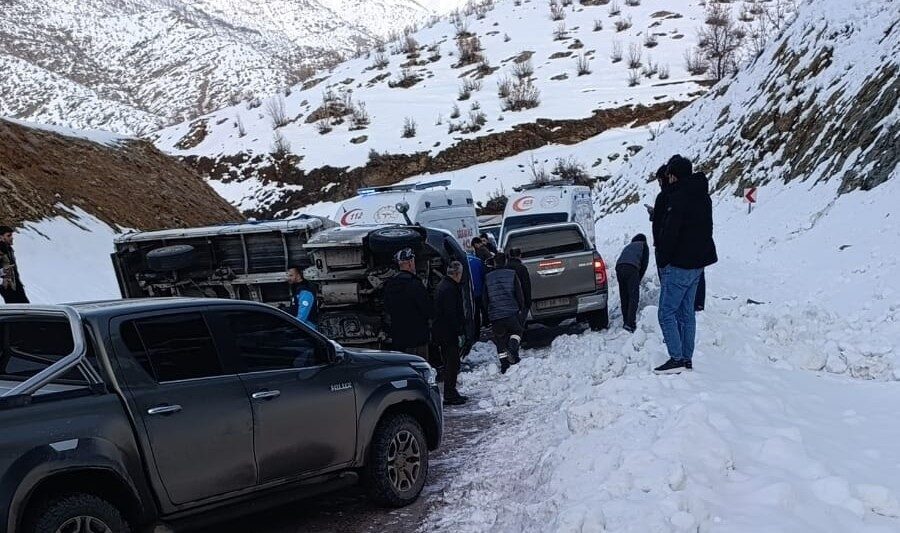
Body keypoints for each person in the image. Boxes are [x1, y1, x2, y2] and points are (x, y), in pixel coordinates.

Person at [654, 155, 717, 374]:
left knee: (666, 313)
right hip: (698, 264)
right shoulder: (702, 195)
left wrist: (663, 258)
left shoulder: (678, 198)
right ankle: (686, 358)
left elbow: (671, 233)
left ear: (673, 175)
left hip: (679, 264)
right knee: (687, 313)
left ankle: (676, 358)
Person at [383, 248, 433, 357]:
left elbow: (387, 309)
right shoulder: (415, 284)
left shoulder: (389, 285)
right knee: (420, 368)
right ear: (410, 263)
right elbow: (427, 309)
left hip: (399, 338)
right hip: (417, 338)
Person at [484, 252, 526, 374]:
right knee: (518, 331)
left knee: (500, 339)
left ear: (495, 262)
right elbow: (519, 294)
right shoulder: (512, 274)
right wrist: (520, 307)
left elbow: (485, 298)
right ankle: (513, 346)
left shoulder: (488, 277)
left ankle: (504, 365)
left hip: (496, 315)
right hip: (511, 311)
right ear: (506, 261)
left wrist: (488, 313)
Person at [433, 261, 467, 406]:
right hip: (448, 333)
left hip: (443, 332)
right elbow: (451, 313)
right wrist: (459, 331)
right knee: (452, 364)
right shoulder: (450, 289)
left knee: (451, 363)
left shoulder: (444, 286)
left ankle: (451, 391)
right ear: (457, 274)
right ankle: (450, 394)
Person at [615, 234, 649, 332]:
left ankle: (626, 321)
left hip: (619, 267)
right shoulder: (643, 246)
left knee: (624, 295)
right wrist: (638, 278)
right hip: (631, 268)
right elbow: (644, 264)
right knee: (633, 297)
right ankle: (630, 324)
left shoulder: (629, 246)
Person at [0, 226, 29, 304]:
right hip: (7, 287)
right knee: (19, 310)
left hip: (16, 285)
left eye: (12, 235)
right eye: (8, 236)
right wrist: (4, 271)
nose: (12, 238)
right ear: (1, 237)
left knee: (25, 308)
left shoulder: (9, 249)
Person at [506, 247, 532, 324]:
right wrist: (528, 302)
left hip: (508, 301)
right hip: (521, 301)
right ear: (520, 255)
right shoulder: (522, 268)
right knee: (519, 324)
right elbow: (526, 285)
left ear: (510, 256)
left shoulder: (506, 268)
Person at [466, 248, 487, 333]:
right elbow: (483, 276)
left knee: (473, 312)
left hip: (469, 291)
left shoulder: (463, 261)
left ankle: (474, 330)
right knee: (481, 308)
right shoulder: (478, 261)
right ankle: (485, 323)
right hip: (479, 290)